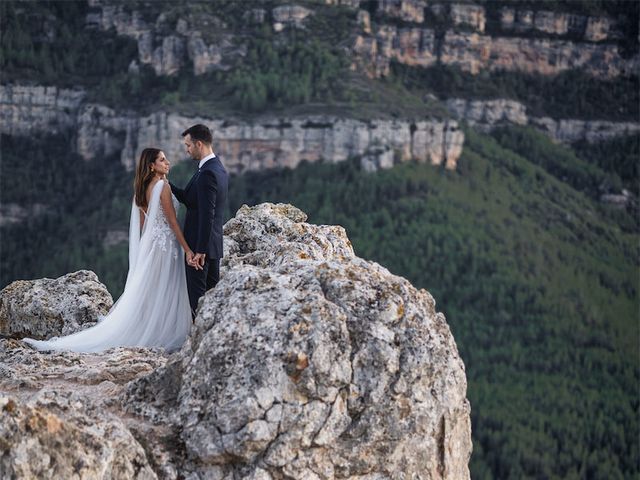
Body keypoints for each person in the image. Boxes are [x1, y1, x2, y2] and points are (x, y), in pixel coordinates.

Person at [23, 149, 193, 353]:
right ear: (151, 165)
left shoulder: (142, 189)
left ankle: (149, 326)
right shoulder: (163, 186)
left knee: (152, 289)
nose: (168, 163)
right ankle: (162, 330)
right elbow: (173, 222)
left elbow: (143, 226)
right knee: (166, 287)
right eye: (163, 160)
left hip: (154, 245)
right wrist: (187, 249)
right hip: (167, 245)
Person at [170, 124, 228, 319]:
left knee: (198, 301)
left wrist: (199, 251)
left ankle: (201, 342)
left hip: (199, 247)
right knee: (211, 300)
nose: (187, 150)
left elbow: (207, 214)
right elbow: (189, 199)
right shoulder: (216, 168)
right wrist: (164, 182)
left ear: (199, 144)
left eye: (188, 145)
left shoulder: (207, 174)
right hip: (212, 245)